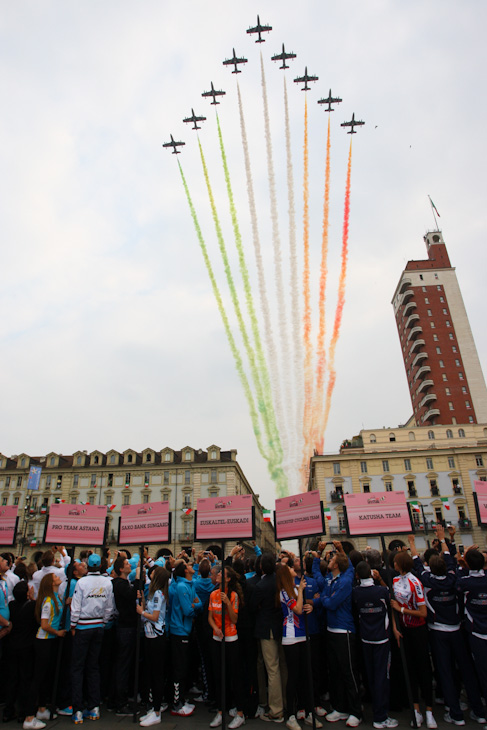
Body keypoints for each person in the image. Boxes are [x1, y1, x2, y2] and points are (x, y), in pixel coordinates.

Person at [391, 550, 435, 729]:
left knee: (423, 669)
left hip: (418, 630)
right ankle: (416, 710)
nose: (393, 564)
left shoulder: (415, 582)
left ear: (400, 564)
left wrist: (402, 611)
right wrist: (394, 626)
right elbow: (393, 605)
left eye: (395, 562)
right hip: (404, 631)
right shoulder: (394, 580)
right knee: (409, 670)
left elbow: (423, 612)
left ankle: (430, 711)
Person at [70, 553, 115, 724]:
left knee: (77, 668)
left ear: (88, 566)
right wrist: (103, 622)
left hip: (83, 625)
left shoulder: (82, 582)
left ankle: (78, 709)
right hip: (98, 626)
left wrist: (73, 625)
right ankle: (94, 706)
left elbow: (76, 606)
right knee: (93, 667)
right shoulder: (107, 582)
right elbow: (110, 606)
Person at [352, 561, 397, 729]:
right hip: (381, 639)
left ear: (357, 576)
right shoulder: (382, 591)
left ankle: (377, 710)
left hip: (365, 638)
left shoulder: (355, 593)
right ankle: (380, 716)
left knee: (371, 676)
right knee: (382, 677)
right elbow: (391, 598)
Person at [321, 542, 361, 728]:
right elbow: (326, 597)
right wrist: (326, 598)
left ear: (337, 564)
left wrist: (325, 598)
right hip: (331, 630)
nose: (330, 559)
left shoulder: (345, 581)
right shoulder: (331, 578)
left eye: (333, 558)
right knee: (335, 672)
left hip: (343, 631)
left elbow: (330, 603)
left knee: (348, 672)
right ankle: (339, 708)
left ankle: (356, 711)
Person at [276, 563, 320, 730]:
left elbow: (304, 604)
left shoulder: (294, 588)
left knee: (306, 674)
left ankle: (308, 712)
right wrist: (301, 592)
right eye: (289, 569)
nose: (292, 568)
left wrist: (311, 601)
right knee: (293, 676)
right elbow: (298, 609)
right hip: (291, 636)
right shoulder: (284, 592)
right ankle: (291, 715)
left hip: (303, 635)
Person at [24, 573, 66, 730]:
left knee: (46, 676)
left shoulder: (56, 597)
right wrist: (58, 632)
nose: (58, 577)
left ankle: (42, 708)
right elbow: (44, 624)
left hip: (50, 641)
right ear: (51, 583)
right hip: (44, 640)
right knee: (38, 678)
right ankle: (29, 716)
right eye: (55, 577)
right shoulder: (48, 601)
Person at [250, 551, 285, 723]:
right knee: (283, 667)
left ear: (262, 567)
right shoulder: (280, 581)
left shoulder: (260, 586)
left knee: (272, 670)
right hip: (282, 627)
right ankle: (286, 702)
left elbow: (252, 607)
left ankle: (276, 710)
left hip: (267, 629)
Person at [208, 566, 245, 729]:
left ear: (228, 579)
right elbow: (210, 617)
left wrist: (228, 602)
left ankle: (240, 713)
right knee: (218, 676)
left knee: (235, 676)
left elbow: (235, 618)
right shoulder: (213, 594)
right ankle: (221, 711)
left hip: (231, 639)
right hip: (217, 639)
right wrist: (215, 628)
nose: (217, 575)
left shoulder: (234, 595)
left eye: (222, 574)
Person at [137, 566, 171, 727]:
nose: (151, 573)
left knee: (156, 675)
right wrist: (142, 600)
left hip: (157, 637)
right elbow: (148, 609)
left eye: (153, 573)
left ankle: (157, 711)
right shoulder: (152, 592)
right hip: (149, 636)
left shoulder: (159, 594)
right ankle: (153, 709)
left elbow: (155, 616)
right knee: (150, 673)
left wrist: (141, 612)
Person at [169, 558, 202, 716]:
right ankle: (176, 704)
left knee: (183, 667)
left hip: (186, 629)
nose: (191, 565)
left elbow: (199, 604)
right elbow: (189, 610)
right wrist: (194, 606)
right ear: (185, 571)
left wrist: (194, 605)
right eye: (189, 565)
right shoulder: (182, 586)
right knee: (179, 668)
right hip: (179, 630)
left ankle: (181, 699)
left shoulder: (190, 584)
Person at [456, 545, 487, 714]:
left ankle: (480, 708)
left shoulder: (465, 582)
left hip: (476, 632)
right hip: (478, 631)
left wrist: (462, 564)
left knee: (481, 672)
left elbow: (457, 581)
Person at [112, 555, 140, 716]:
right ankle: (120, 703)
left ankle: (120, 698)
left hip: (127, 626)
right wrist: (137, 577)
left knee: (124, 663)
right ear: (121, 569)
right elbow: (131, 594)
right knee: (123, 664)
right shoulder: (120, 584)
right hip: (126, 627)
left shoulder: (122, 583)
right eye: (127, 563)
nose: (130, 564)